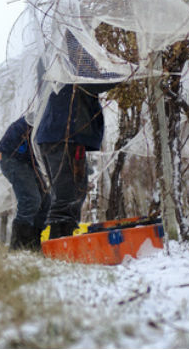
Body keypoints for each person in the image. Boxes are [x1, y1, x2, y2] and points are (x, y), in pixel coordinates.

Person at [35, 30, 120, 239]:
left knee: (74, 190)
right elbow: (91, 81)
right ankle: (57, 246)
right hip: (66, 133)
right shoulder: (72, 49)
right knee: (66, 194)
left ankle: (65, 241)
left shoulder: (49, 54)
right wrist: (124, 74)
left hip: (59, 133)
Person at [0, 114, 49, 250]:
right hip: (11, 157)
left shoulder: (55, 114)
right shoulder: (48, 114)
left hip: (27, 159)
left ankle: (34, 244)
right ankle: (18, 246)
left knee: (45, 201)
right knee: (30, 199)